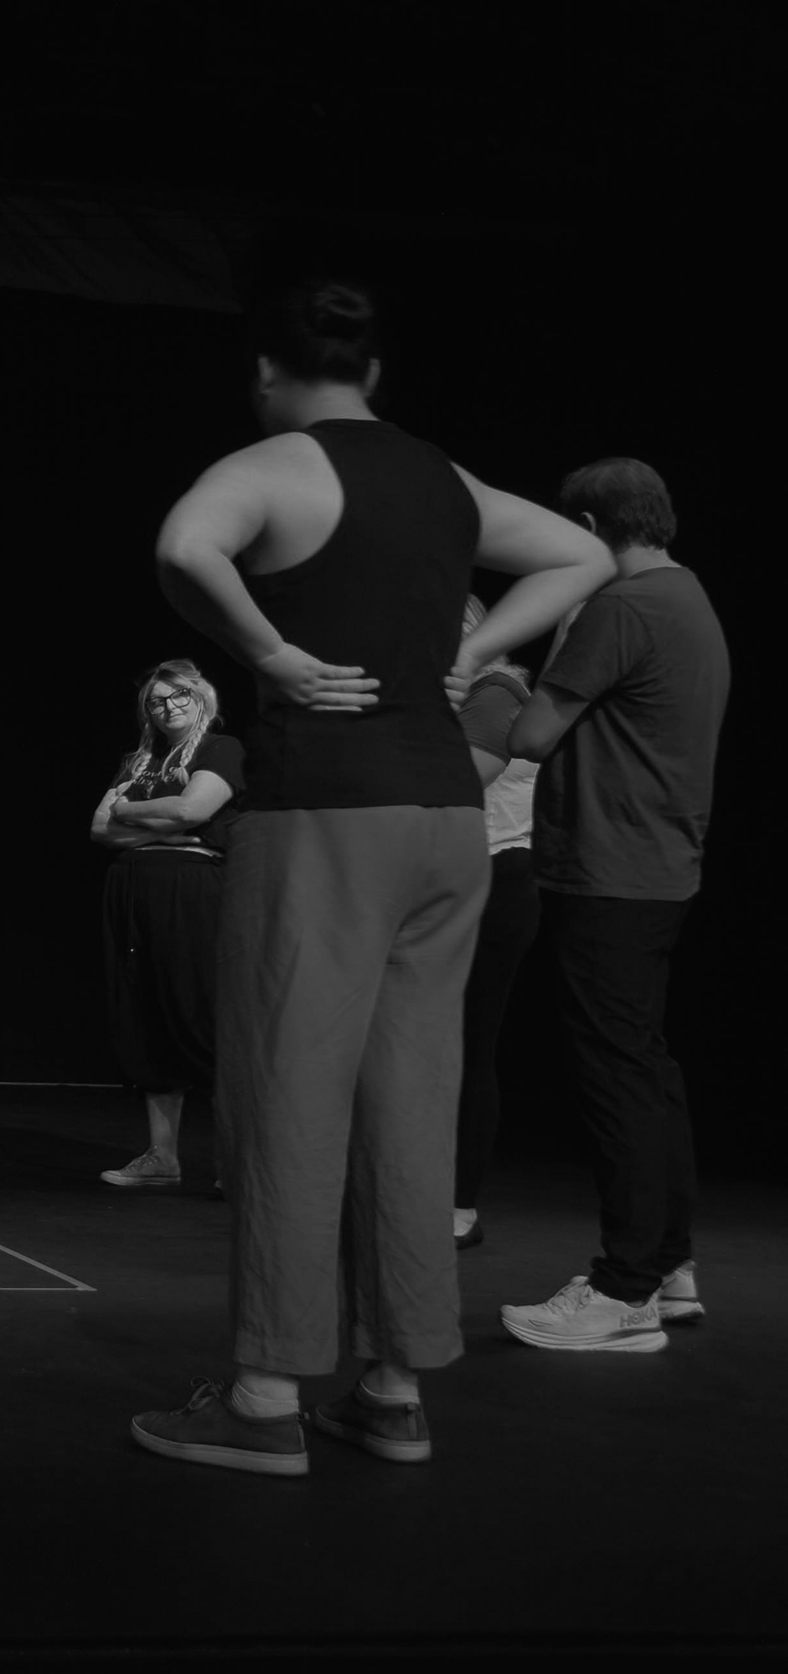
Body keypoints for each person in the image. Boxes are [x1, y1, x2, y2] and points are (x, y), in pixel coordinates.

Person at [130, 280, 612, 1476]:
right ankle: (392, 1391)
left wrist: (272, 654)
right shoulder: (442, 478)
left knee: (289, 1098)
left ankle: (259, 1400)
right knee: (410, 1100)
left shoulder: (276, 464)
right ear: (377, 374)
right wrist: (481, 645)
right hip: (446, 821)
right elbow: (584, 553)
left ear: (263, 372)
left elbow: (183, 545)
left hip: (326, 819)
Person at [499, 459, 728, 1353]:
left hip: (609, 869)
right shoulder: (689, 598)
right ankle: (667, 1268)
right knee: (646, 1069)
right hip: (656, 867)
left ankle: (624, 1289)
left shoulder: (621, 609)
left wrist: (550, 635)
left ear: (590, 530)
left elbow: (530, 735)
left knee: (618, 1077)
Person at [88, 659, 243, 1188]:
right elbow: (98, 827)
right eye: (157, 700)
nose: (169, 707)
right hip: (133, 893)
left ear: (201, 696)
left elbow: (191, 813)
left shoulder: (220, 749)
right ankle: (162, 1157)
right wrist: (160, 825)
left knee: (199, 1013)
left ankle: (234, 1162)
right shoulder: (140, 758)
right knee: (145, 1017)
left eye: (179, 696)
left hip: (191, 892)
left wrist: (133, 812)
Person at [448, 595, 542, 1251]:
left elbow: (457, 781)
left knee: (470, 1046)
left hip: (496, 880)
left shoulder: (497, 691)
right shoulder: (453, 699)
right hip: (451, 882)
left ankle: (457, 1205)